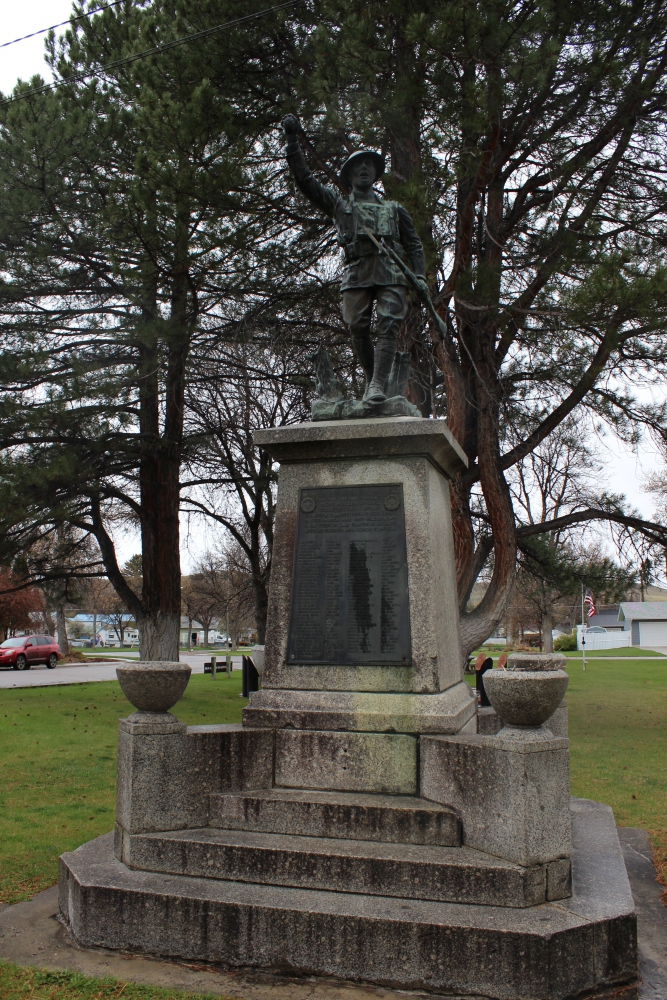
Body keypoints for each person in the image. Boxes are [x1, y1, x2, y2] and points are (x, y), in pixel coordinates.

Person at [282, 114, 427, 403]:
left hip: (391, 272)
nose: (364, 169)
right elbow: (305, 181)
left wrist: (420, 276)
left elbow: (414, 245)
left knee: (388, 324)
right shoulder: (339, 205)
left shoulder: (394, 209)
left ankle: (375, 387)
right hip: (357, 271)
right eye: (357, 166)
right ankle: (378, 381)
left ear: (375, 173)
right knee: (357, 327)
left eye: (369, 165)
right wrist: (292, 141)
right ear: (349, 176)